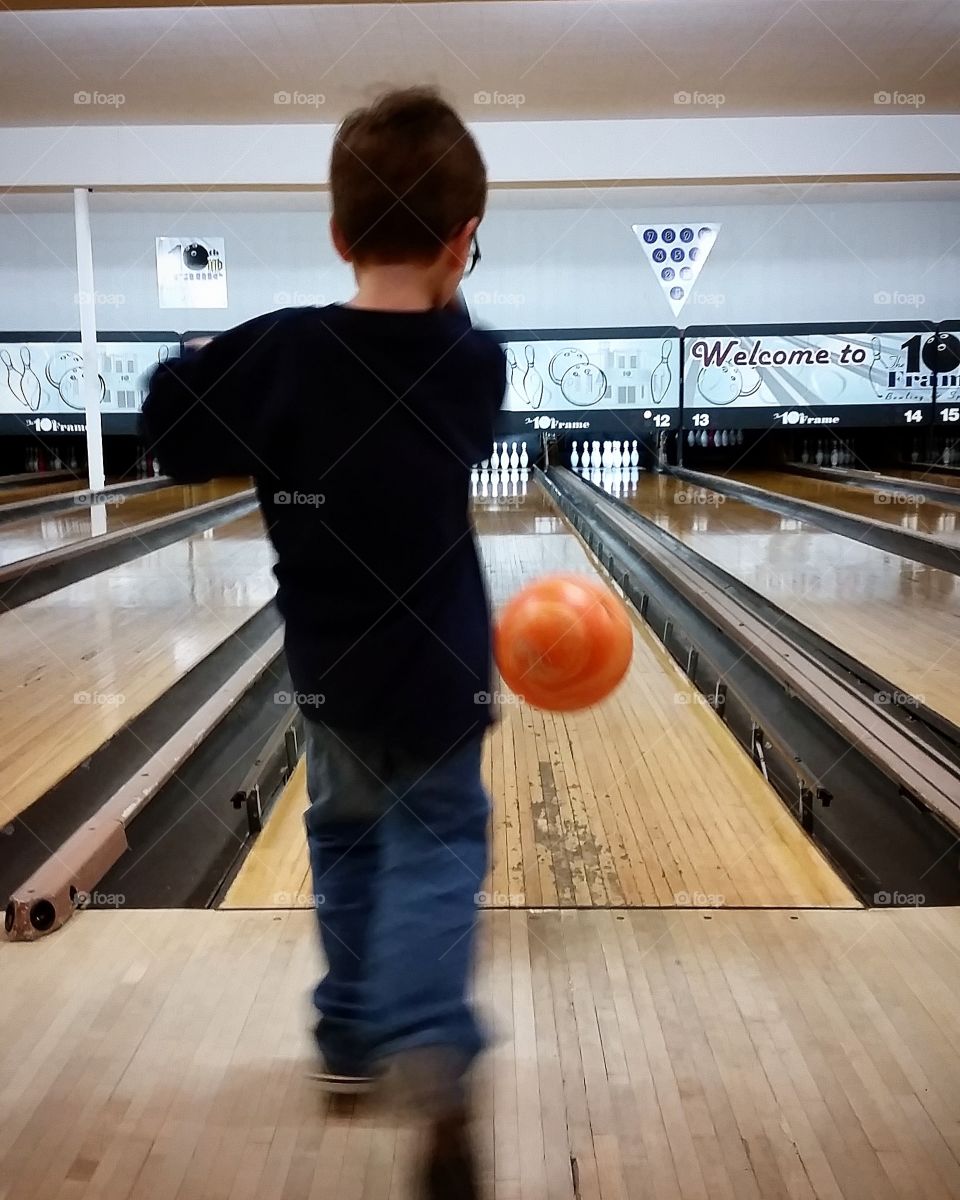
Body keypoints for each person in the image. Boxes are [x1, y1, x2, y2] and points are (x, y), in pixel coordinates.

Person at [141, 87, 505, 1200]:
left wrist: (210, 353)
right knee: (439, 853)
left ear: (338, 235)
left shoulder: (288, 354)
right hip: (443, 676)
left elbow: (169, 426)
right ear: (465, 242)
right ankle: (436, 1042)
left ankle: (348, 1048)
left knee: (346, 852)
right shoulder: (474, 363)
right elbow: (416, 349)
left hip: (332, 679)